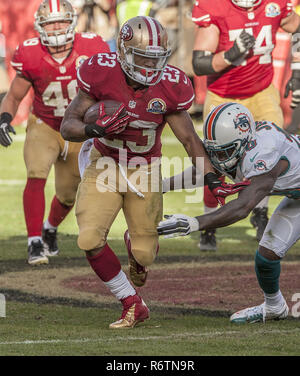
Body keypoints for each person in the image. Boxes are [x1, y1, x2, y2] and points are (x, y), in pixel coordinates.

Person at [60, 15, 248, 329]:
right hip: (104, 163)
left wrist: (213, 178)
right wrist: (93, 128)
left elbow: (189, 139)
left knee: (145, 256)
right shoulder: (100, 72)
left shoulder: (171, 84)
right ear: (123, 51)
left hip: (145, 170)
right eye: (143, 57)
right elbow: (68, 126)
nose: (150, 66)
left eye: (155, 59)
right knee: (89, 238)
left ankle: (135, 244)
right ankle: (131, 302)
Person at [157, 101, 300, 323]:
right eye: (216, 151)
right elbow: (207, 171)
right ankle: (274, 307)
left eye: (226, 151)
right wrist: (163, 185)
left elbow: (243, 207)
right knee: (267, 255)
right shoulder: (237, 143)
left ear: (246, 140)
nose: (221, 158)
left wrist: (194, 223)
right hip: (297, 198)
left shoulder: (265, 150)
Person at [0, 0, 110, 265]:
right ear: (40, 26)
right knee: (36, 173)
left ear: (72, 21)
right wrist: (4, 119)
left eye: (61, 21)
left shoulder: (92, 47)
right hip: (46, 124)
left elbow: (109, 85)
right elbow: (14, 96)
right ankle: (34, 241)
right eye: (51, 23)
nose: (57, 27)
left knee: (68, 193)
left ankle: (50, 227)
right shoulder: (31, 53)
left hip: (78, 128)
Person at [191, 0, 300, 250]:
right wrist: (231, 54)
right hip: (224, 95)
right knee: (216, 163)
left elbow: (298, 28)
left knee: (269, 158)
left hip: (262, 92)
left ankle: (260, 215)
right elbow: (199, 63)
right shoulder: (215, 6)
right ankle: (209, 225)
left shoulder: (275, 4)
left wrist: (297, 73)